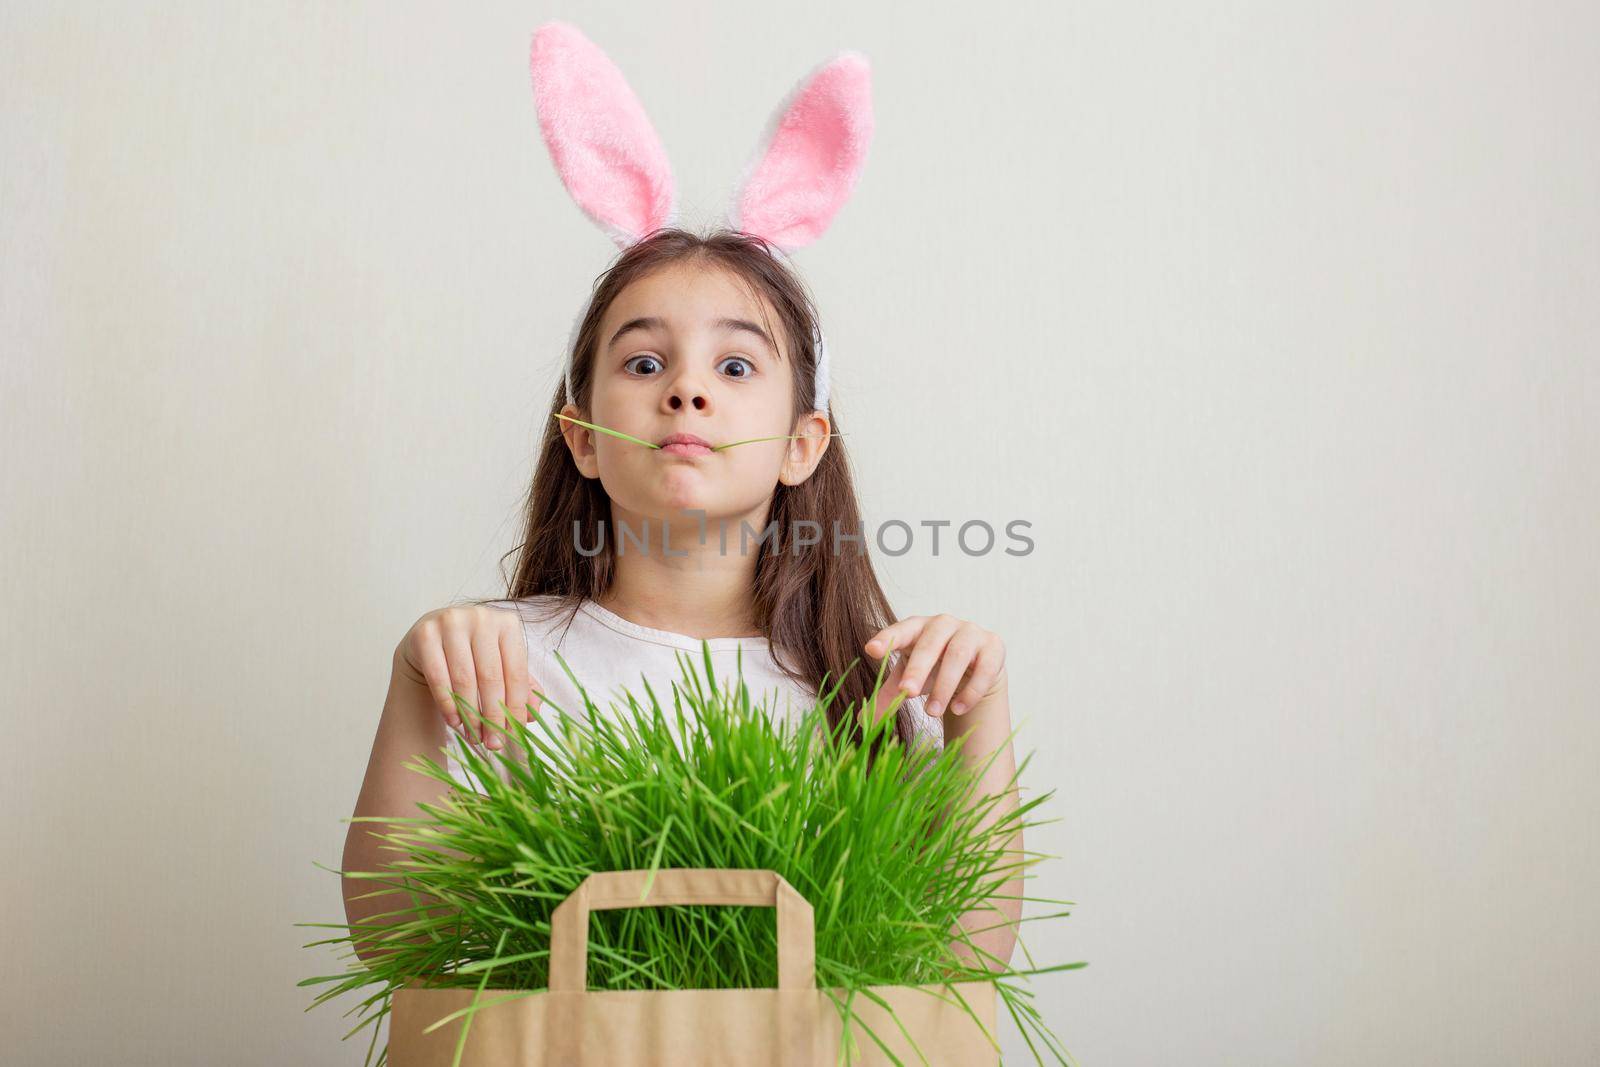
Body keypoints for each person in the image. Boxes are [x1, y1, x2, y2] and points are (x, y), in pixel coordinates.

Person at [343, 22, 1020, 974]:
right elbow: (397, 946)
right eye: (645, 360)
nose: (687, 390)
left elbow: (960, 969)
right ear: (581, 436)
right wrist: (417, 690)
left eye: (735, 363)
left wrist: (973, 720)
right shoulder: (495, 661)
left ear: (801, 444)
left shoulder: (864, 691)